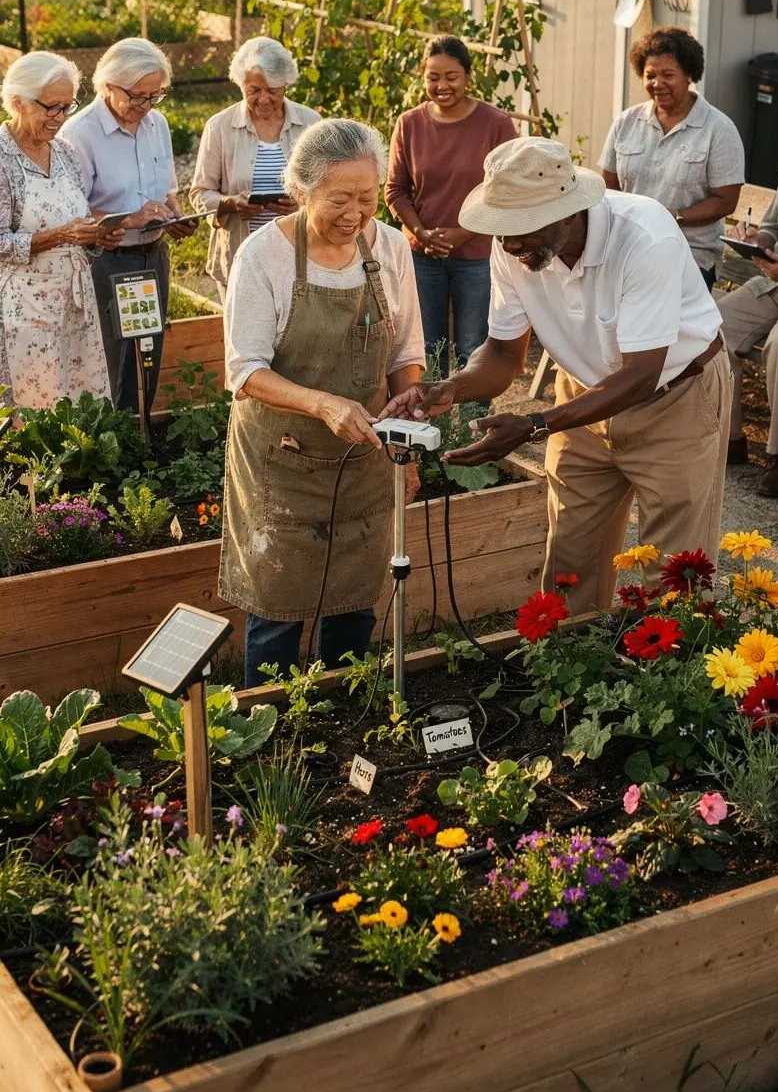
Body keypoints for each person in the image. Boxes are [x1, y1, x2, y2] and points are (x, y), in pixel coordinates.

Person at [380, 136, 732, 615]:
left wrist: (536, 424)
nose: (509, 242)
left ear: (570, 211)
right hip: (583, 397)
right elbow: (504, 353)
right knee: (569, 561)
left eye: (522, 228)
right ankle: (571, 680)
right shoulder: (515, 248)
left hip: (675, 398)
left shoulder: (646, 238)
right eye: (500, 229)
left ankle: (667, 683)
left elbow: (641, 374)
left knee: (676, 574)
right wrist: (451, 388)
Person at [219, 118, 425, 687]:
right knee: (278, 602)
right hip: (281, 460)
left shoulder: (388, 248)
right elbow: (244, 371)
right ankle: (270, 727)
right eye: (339, 198)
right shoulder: (264, 256)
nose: (355, 214)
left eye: (367, 197)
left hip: (364, 454)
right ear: (302, 189)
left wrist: (407, 416)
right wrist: (323, 405)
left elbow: (406, 348)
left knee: (354, 596)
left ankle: (340, 713)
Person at [61, 37, 196, 414]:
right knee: (109, 356)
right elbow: (69, 217)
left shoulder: (157, 124)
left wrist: (175, 216)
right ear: (108, 85)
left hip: (152, 256)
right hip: (106, 261)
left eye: (155, 96)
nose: (145, 106)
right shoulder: (79, 134)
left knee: (148, 352)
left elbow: (169, 191)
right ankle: (106, 446)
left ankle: (141, 434)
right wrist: (129, 219)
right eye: (137, 96)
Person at [385, 34, 516, 374]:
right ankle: (430, 423)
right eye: (433, 77)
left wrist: (462, 233)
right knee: (426, 348)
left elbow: (506, 191)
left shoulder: (496, 125)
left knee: (474, 347)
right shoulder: (409, 124)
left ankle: (473, 423)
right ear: (422, 76)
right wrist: (421, 233)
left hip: (476, 257)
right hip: (422, 256)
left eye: (451, 77)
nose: (442, 85)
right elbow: (396, 189)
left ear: (468, 76)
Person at [0, 51, 116, 408]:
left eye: (66, 107)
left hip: (75, 304)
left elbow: (78, 219)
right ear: (18, 101)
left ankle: (82, 465)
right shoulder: (2, 157)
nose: (59, 118)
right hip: (27, 308)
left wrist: (97, 235)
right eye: (50, 107)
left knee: (82, 404)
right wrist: (60, 236)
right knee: (38, 410)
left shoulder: (63, 151)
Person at [719, 89, 778, 498]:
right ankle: (731, 439)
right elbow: (775, 224)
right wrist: (756, 237)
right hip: (775, 280)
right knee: (711, 329)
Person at [599, 27, 744, 292]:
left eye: (668, 75)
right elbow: (609, 184)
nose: (657, 84)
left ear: (690, 75)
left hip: (688, 252)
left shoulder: (718, 129)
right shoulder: (626, 122)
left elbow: (726, 200)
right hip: (628, 246)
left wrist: (674, 216)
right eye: (650, 75)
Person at [189, 36, 320, 302]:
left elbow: (326, 187)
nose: (264, 99)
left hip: (298, 256)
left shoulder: (311, 124)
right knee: (242, 340)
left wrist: (301, 206)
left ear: (286, 84)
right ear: (241, 86)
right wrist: (230, 203)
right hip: (239, 254)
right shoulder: (220, 127)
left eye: (273, 90)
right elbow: (200, 193)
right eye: (254, 90)